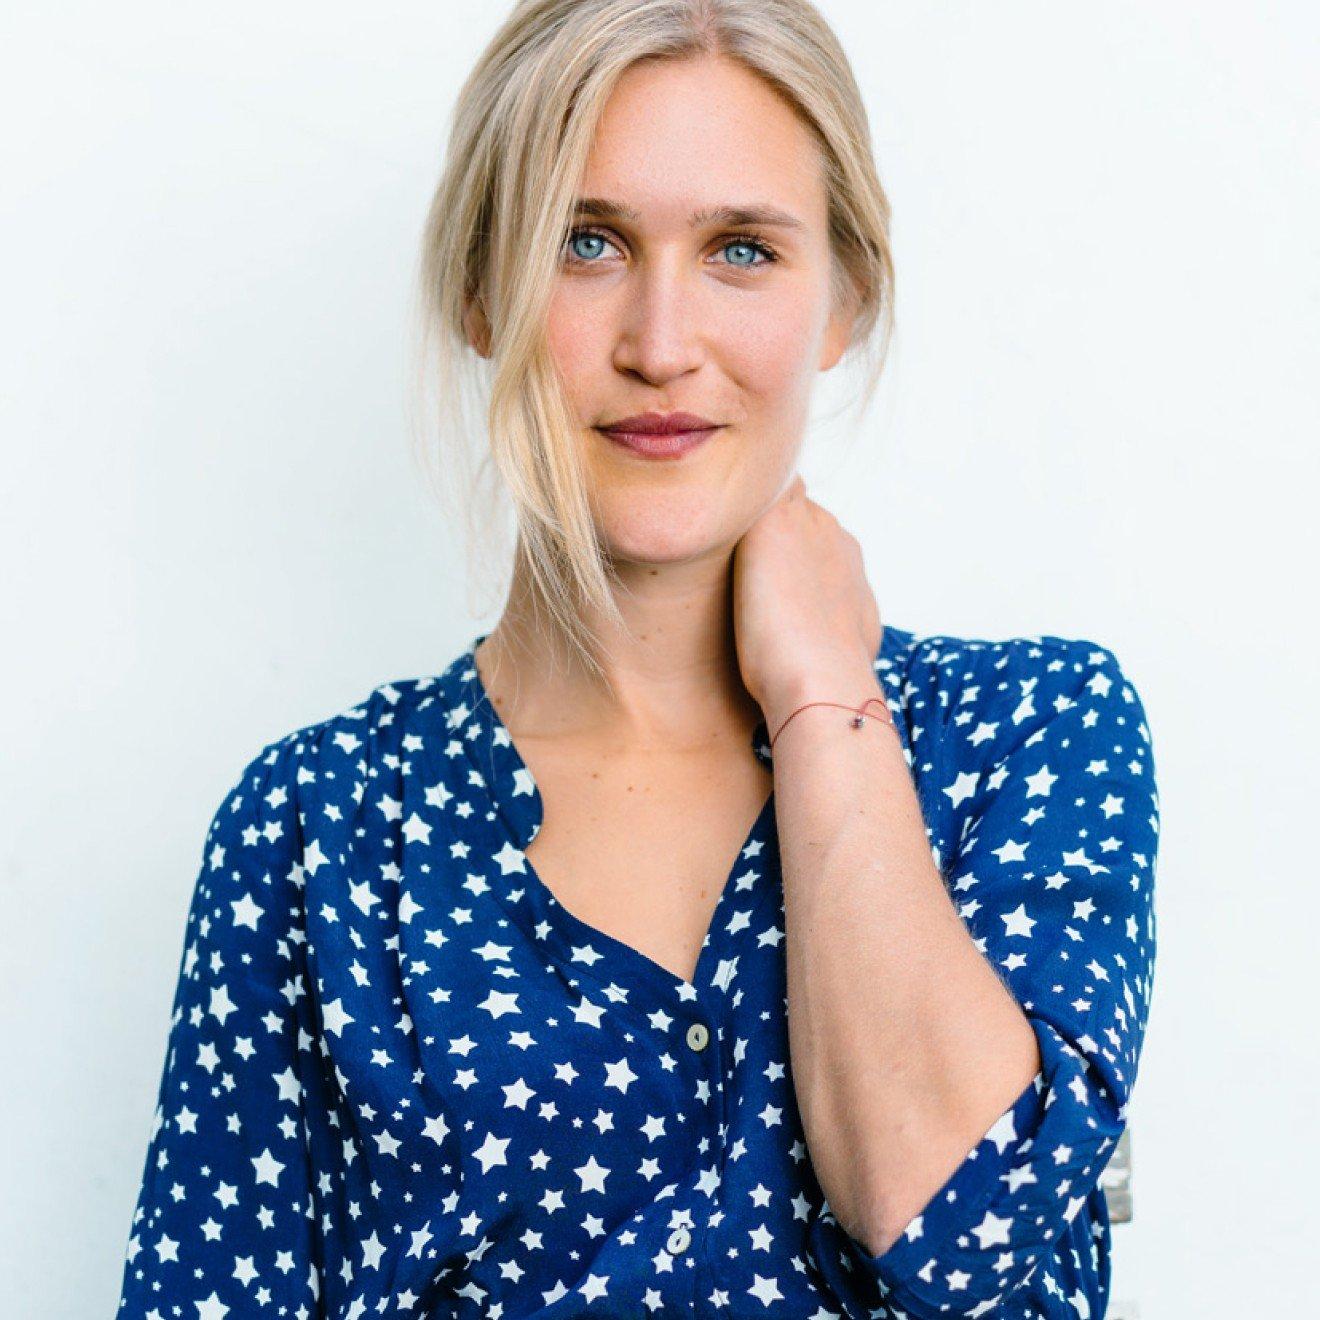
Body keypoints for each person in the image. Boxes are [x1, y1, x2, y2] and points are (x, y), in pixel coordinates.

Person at [115, 2, 1160, 1317]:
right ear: (482, 292)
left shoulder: (1029, 734)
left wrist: (827, 704)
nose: (661, 344)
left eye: (741, 249)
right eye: (587, 242)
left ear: (844, 297)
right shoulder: (321, 828)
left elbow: (960, 1231)